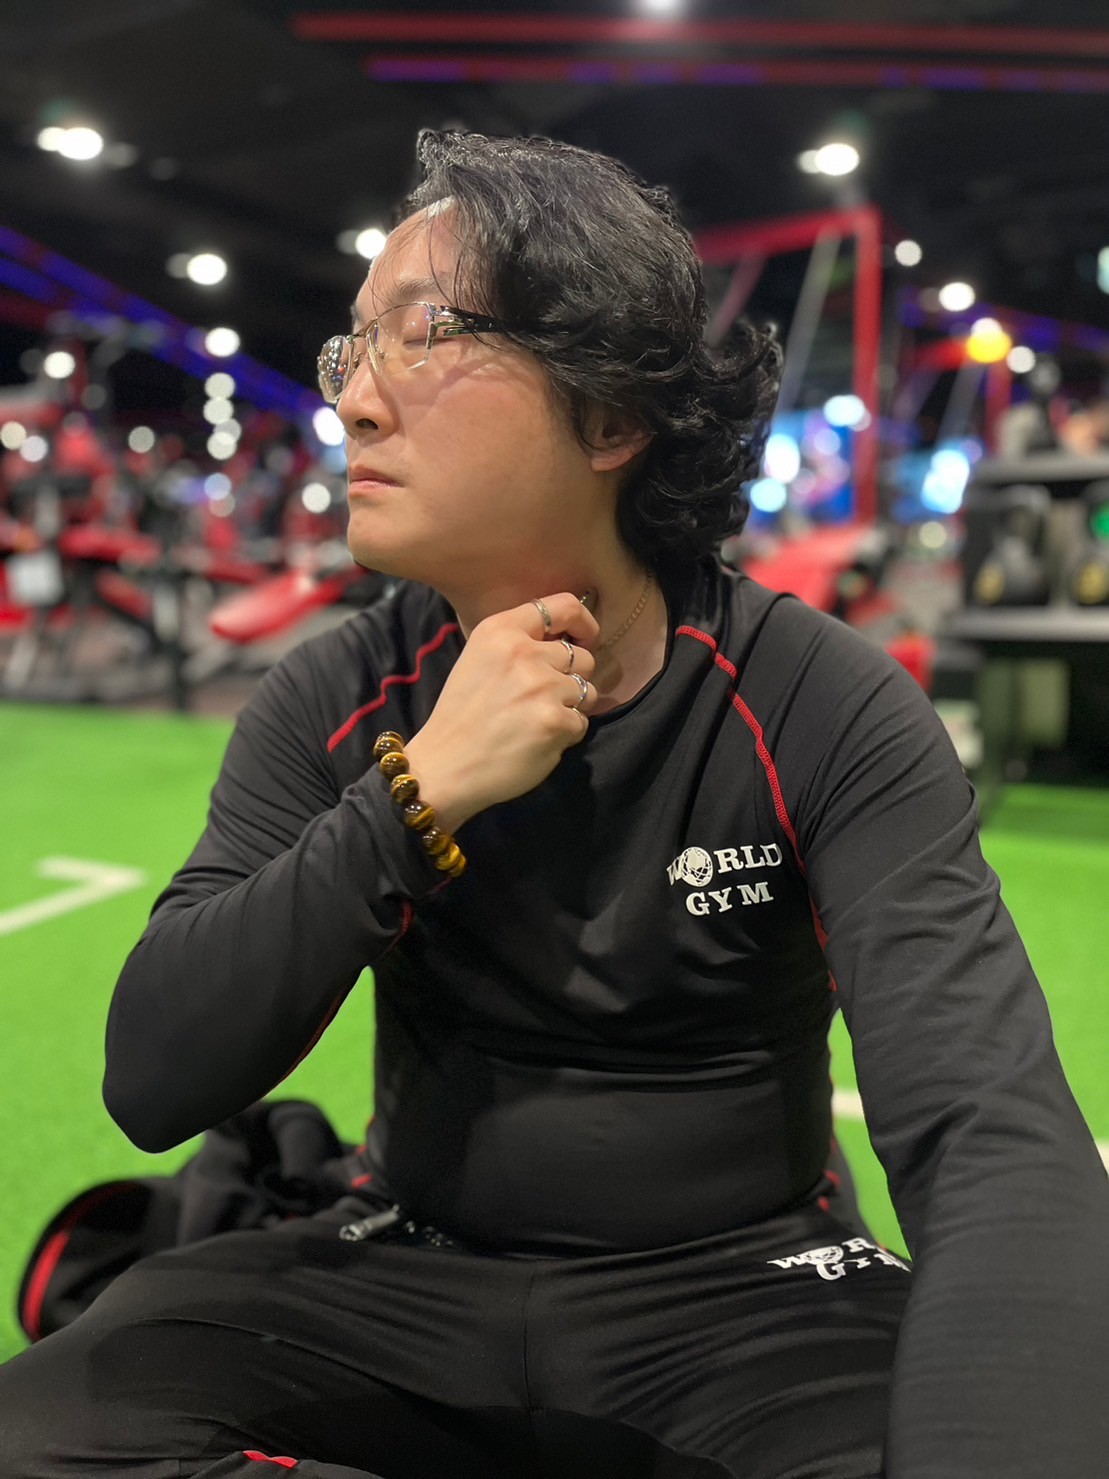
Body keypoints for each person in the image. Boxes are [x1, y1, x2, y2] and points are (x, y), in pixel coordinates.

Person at [1, 130, 1105, 1479]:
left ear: (612, 417)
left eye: (427, 335)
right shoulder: (333, 700)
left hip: (746, 1289)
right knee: (38, 1440)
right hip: (406, 1269)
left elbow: (990, 1137)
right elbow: (154, 1077)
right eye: (353, 350)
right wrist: (415, 797)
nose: (354, 405)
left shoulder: (820, 702)